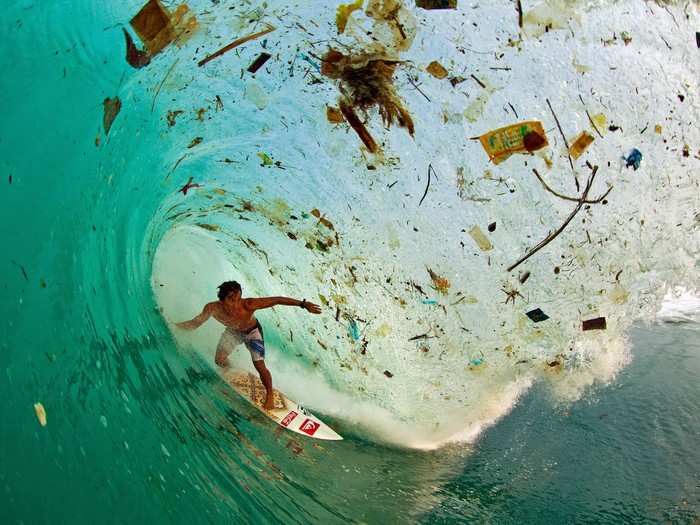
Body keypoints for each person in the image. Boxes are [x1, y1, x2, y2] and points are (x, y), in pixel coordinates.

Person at [175, 281, 321, 410]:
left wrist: (303, 304)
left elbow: (277, 300)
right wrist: (174, 325)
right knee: (219, 360)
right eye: (231, 299)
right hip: (233, 332)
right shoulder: (212, 308)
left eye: (238, 299)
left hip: (252, 333)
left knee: (259, 365)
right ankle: (232, 370)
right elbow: (195, 323)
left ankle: (269, 394)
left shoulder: (248, 304)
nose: (235, 303)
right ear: (222, 298)